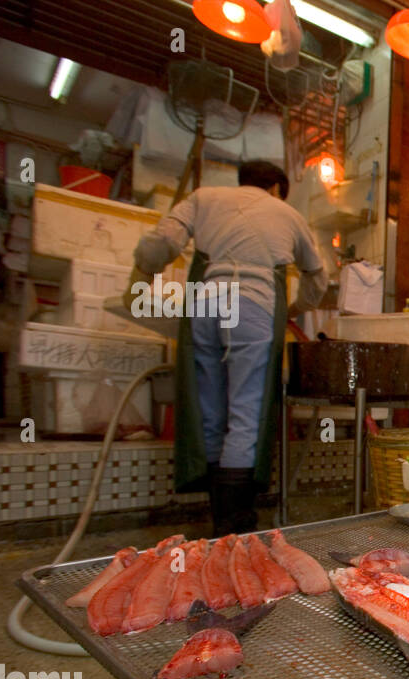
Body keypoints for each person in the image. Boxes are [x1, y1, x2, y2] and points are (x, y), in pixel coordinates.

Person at [133, 160, 327, 535]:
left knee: (209, 407)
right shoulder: (287, 213)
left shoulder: (203, 197)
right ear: (275, 188)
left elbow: (163, 242)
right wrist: (297, 308)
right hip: (252, 306)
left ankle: (216, 519)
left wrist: (141, 272)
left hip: (204, 302)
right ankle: (235, 526)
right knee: (245, 410)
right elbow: (316, 277)